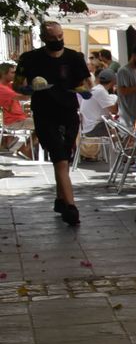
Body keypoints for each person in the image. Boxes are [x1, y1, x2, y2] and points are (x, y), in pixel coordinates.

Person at [15, 22, 92, 225]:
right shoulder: (30, 59)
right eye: (52, 38)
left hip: (68, 112)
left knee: (64, 158)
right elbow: (17, 83)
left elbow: (85, 82)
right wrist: (27, 90)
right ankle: (71, 207)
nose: (57, 41)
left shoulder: (74, 58)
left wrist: (82, 89)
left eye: (60, 37)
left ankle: (60, 200)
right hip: (44, 113)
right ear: (43, 38)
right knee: (59, 157)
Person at [78, 69, 118, 137]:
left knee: (118, 126)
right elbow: (114, 110)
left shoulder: (97, 89)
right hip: (94, 127)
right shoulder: (100, 91)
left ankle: (118, 146)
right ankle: (121, 147)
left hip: (89, 127)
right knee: (123, 127)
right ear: (113, 81)